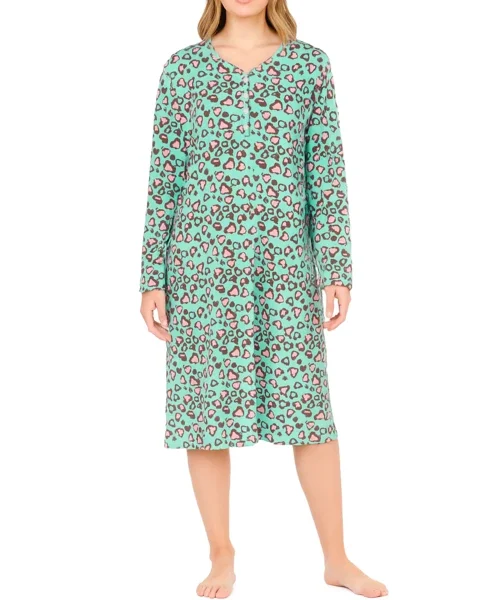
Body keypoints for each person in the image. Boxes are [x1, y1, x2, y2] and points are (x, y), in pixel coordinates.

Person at [139, 0, 387, 597]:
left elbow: (326, 171)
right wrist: (152, 275)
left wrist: (337, 265)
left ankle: (337, 559)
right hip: (201, 265)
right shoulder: (183, 69)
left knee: (309, 411)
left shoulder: (309, 67)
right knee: (205, 414)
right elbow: (164, 176)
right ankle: (221, 554)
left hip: (286, 264)